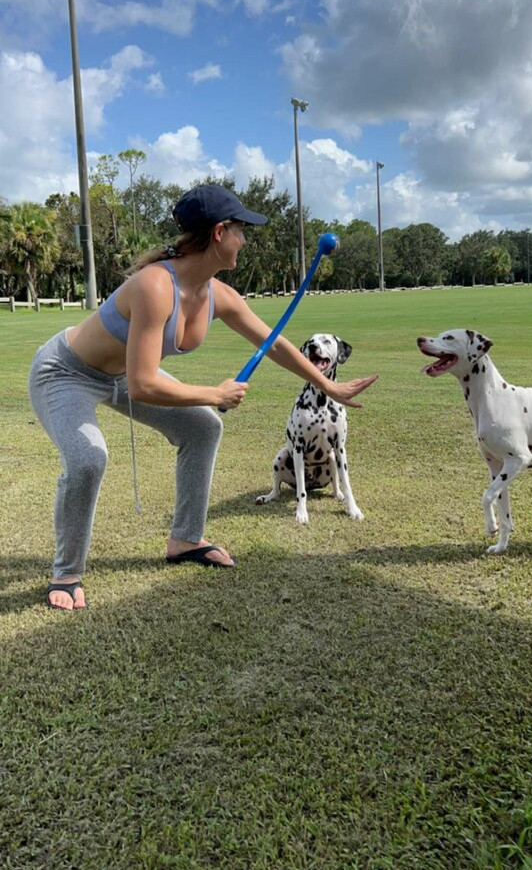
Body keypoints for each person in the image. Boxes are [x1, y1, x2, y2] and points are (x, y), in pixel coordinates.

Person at [29, 184, 378, 611]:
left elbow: (273, 342)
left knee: (203, 426)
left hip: (120, 374)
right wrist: (215, 392)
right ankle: (67, 573)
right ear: (219, 233)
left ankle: (186, 539)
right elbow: (144, 385)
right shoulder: (155, 287)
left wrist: (327, 385)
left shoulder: (218, 294)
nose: (244, 241)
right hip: (65, 371)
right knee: (88, 458)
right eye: (240, 231)